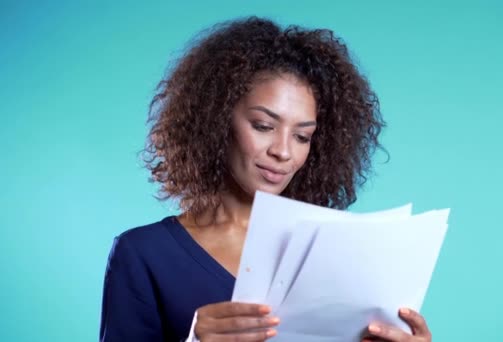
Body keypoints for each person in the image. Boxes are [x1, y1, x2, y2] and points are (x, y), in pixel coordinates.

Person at [100, 16, 433, 342]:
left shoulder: (344, 249)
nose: (284, 152)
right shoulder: (144, 254)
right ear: (216, 119)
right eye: (263, 126)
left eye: (302, 137)